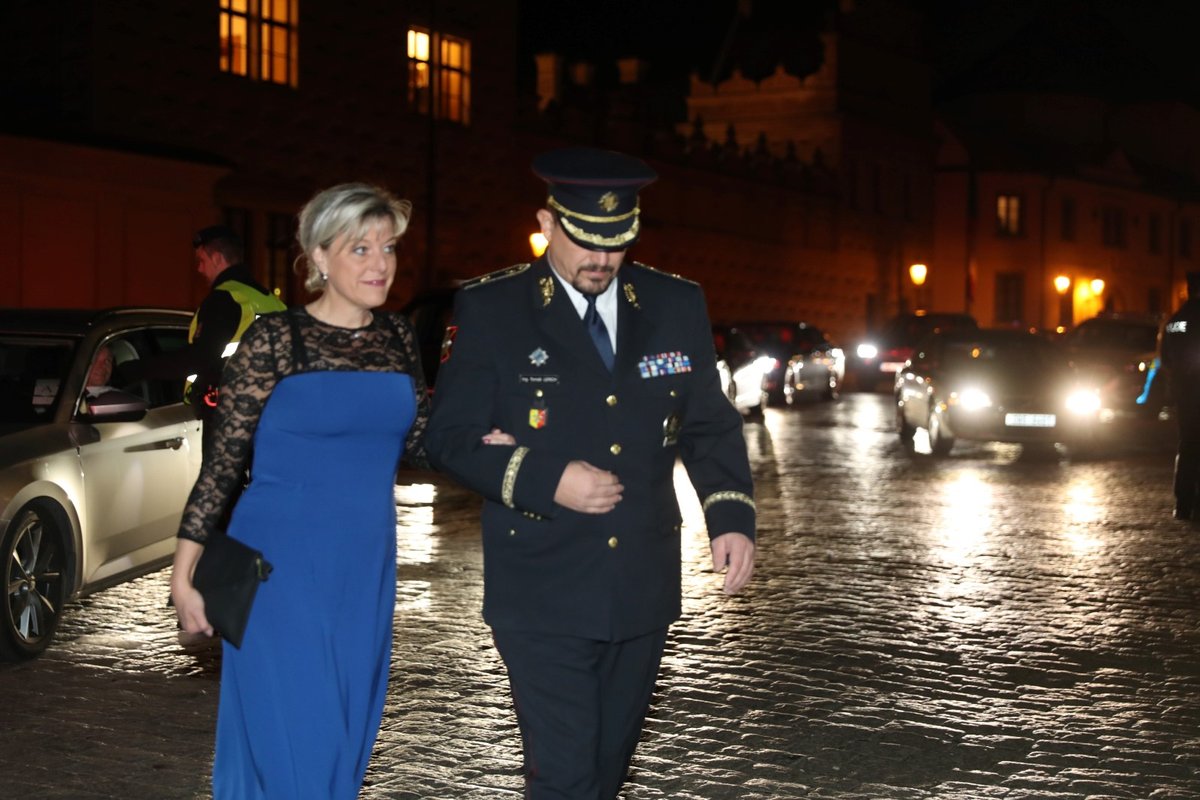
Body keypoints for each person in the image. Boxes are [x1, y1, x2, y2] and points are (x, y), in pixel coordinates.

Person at [424, 146, 757, 798]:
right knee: (567, 775)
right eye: (586, 241)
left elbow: (708, 423)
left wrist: (730, 515)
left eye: (617, 243)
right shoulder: (492, 310)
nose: (601, 260)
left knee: (604, 772)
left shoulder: (674, 304)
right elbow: (450, 439)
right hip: (541, 585)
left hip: (641, 584)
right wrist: (545, 477)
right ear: (546, 224)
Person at [170, 183, 430, 798]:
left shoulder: (397, 339)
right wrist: (184, 573)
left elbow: (422, 444)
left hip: (364, 567)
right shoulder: (274, 341)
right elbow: (223, 463)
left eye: (388, 247)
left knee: (342, 734)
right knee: (299, 736)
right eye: (360, 248)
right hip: (279, 567)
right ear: (318, 257)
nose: (380, 263)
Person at [1161, 270, 1200, 521]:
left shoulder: (1175, 320)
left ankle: (1183, 504)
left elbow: (1165, 358)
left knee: (1187, 445)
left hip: (1184, 393)